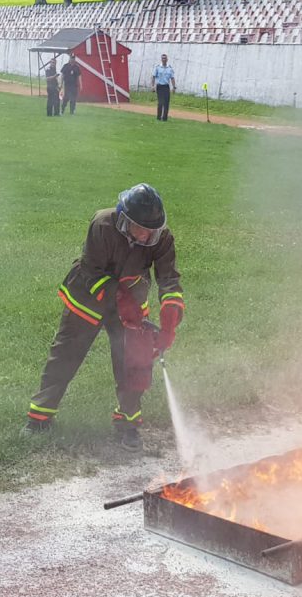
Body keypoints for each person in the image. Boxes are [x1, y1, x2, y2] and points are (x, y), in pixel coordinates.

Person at [25, 184, 185, 452]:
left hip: (132, 304)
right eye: (141, 228)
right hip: (87, 300)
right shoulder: (102, 225)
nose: (147, 235)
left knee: (134, 364)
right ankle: (39, 418)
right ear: (124, 221)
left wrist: (170, 320)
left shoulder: (161, 238)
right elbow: (91, 269)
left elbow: (169, 279)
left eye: (152, 230)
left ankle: (128, 426)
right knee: (65, 357)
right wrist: (121, 301)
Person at [152, 53, 176, 122]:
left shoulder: (170, 68)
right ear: (161, 59)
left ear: (167, 59)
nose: (164, 59)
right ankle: (159, 117)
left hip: (166, 87)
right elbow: (153, 77)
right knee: (160, 103)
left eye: (165, 58)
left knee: (166, 103)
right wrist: (153, 86)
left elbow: (172, 78)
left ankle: (165, 118)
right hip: (159, 87)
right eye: (162, 58)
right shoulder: (157, 67)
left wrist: (174, 87)